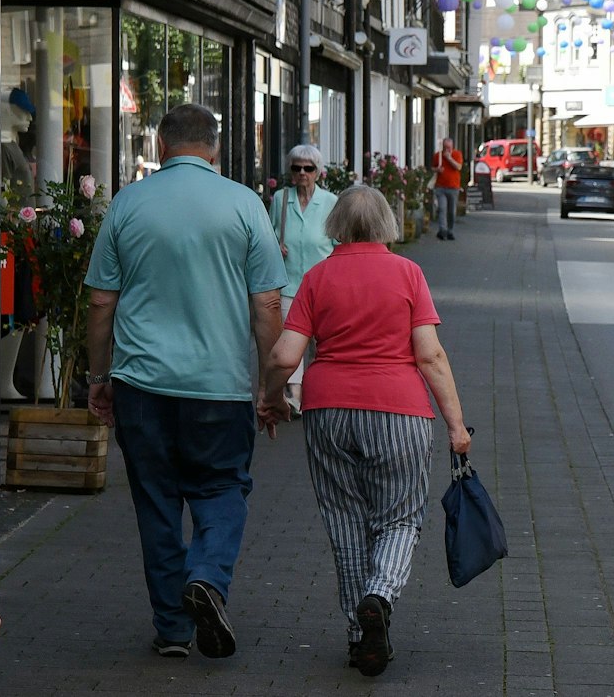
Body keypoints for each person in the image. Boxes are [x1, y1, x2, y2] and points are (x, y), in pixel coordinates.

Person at [84, 104, 287, 660]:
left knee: (156, 503)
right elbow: (268, 302)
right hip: (218, 387)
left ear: (161, 144)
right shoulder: (245, 204)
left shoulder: (128, 203)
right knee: (222, 490)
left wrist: (99, 376)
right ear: (215, 149)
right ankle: (207, 577)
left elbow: (102, 300)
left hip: (141, 387)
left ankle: (173, 629)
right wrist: (272, 389)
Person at [261, 186, 471, 678]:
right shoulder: (407, 274)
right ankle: (379, 595)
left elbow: (284, 356)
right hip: (399, 410)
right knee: (399, 518)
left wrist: (270, 399)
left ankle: (360, 638)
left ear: (335, 224)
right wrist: (456, 425)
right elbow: (430, 355)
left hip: (328, 410)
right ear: (386, 224)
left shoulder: (317, 277)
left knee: (345, 521)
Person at [271, 144, 337, 417]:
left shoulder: (331, 202)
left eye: (308, 168)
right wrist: (277, 244)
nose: (301, 173)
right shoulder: (280, 199)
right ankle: (294, 393)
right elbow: (269, 234)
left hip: (322, 285)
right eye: (296, 168)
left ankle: (321, 390)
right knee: (291, 340)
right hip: (288, 284)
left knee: (322, 342)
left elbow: (338, 243)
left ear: (318, 172)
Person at [431, 139, 464, 241]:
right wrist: (437, 170)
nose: (447, 149)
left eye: (449, 147)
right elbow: (432, 167)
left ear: (452, 147)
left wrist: (449, 158)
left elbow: (458, 167)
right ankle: (442, 231)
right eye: (445, 147)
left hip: (453, 187)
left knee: (451, 211)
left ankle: (450, 230)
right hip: (440, 187)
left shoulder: (457, 154)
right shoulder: (438, 155)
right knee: (442, 208)